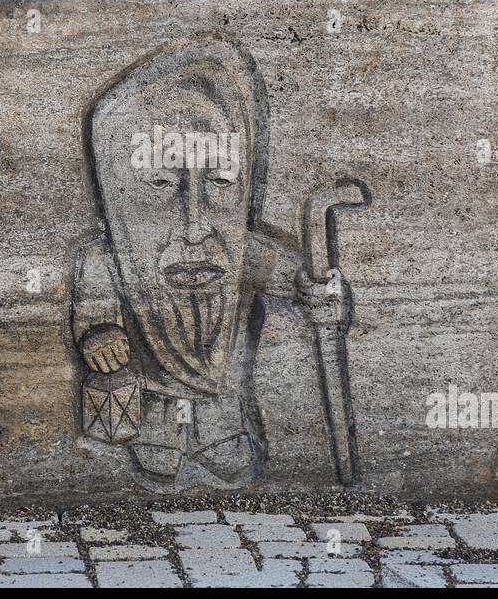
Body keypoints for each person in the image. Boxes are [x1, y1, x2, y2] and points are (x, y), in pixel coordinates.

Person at [70, 40, 349, 490]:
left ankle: (216, 432)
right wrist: (100, 334)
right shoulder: (103, 259)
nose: (196, 224)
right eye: (161, 183)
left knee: (225, 434)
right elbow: (95, 310)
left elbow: (299, 282)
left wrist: (320, 293)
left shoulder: (244, 250)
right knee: (157, 434)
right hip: (150, 392)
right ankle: (161, 436)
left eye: (219, 182)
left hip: (225, 394)